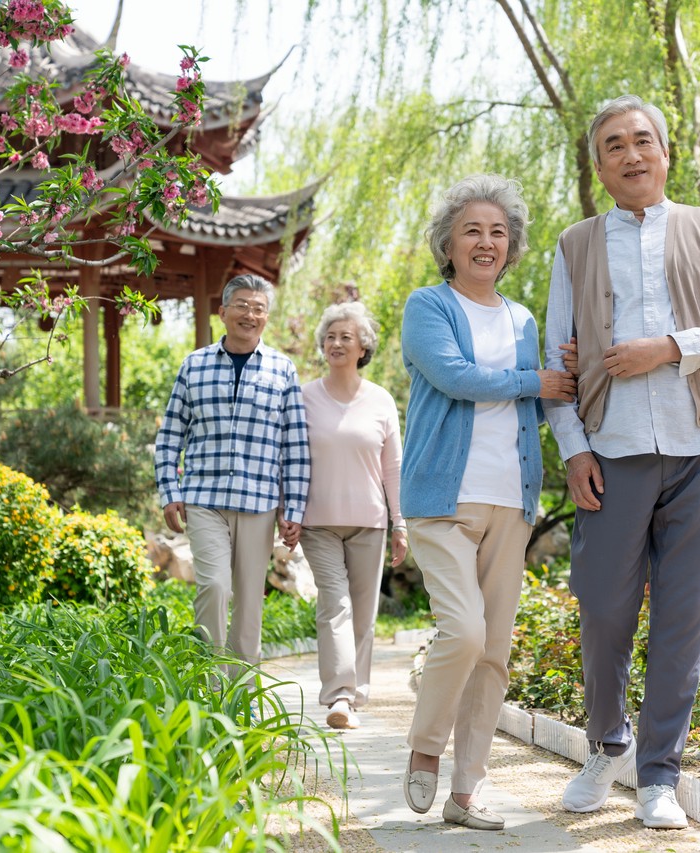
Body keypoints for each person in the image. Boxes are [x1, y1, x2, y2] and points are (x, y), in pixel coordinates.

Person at [543, 95, 700, 830]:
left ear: (666, 153)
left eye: (644, 141)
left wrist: (667, 347)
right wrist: (573, 449)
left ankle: (658, 774)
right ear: (599, 165)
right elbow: (557, 365)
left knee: (681, 619)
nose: (632, 154)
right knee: (604, 609)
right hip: (611, 454)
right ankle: (608, 744)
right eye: (614, 145)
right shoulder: (574, 245)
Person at [399, 174, 576, 831]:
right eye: (472, 229)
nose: (486, 241)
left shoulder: (522, 319)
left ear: (512, 245)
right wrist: (538, 379)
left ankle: (466, 790)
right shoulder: (428, 305)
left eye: (498, 231)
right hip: (441, 497)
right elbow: (455, 375)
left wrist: (568, 372)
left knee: (494, 649)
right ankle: (425, 744)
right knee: (463, 630)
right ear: (447, 241)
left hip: (511, 497)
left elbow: (546, 388)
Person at [154, 273, 310, 682]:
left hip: (259, 503)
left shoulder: (283, 370)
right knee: (215, 587)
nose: (249, 314)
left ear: (266, 317)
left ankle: (243, 696)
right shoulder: (195, 365)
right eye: (241, 305)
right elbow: (171, 434)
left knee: (249, 605)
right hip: (204, 499)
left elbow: (294, 447)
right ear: (222, 313)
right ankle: (209, 687)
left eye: (258, 308)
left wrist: (292, 509)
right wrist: (170, 492)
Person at [301, 301, 407, 731]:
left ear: (363, 346)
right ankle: (339, 696)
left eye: (346, 336)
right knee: (336, 606)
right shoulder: (303, 396)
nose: (337, 343)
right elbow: (291, 459)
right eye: (330, 336)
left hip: (370, 521)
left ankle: (355, 692)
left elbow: (393, 467)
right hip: (318, 521)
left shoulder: (380, 400)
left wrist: (400, 523)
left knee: (363, 615)